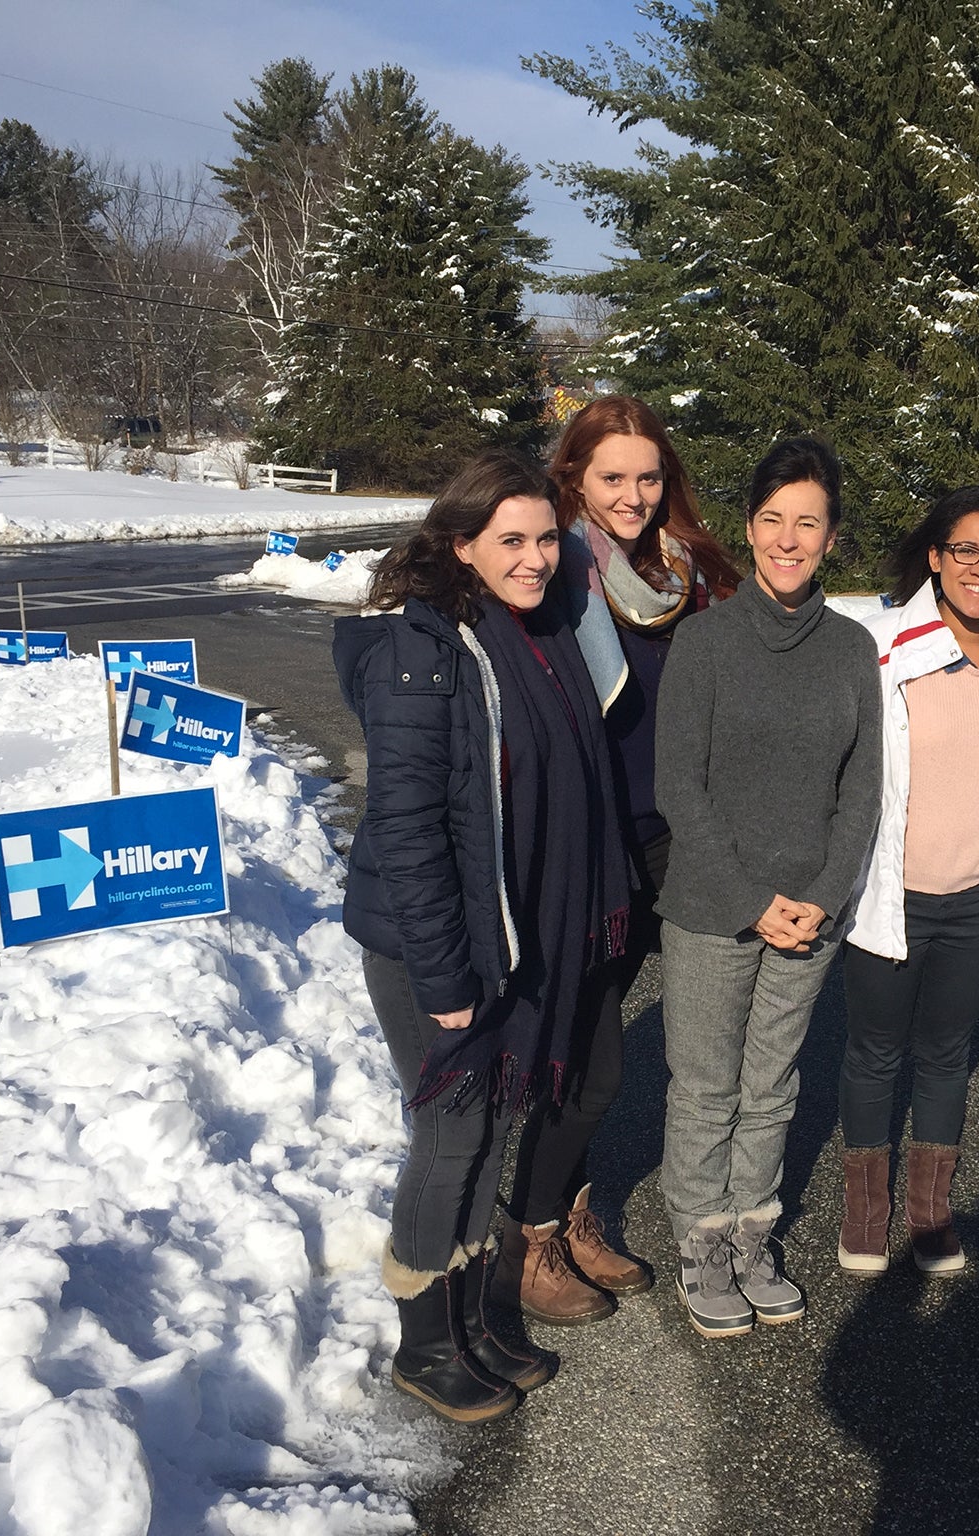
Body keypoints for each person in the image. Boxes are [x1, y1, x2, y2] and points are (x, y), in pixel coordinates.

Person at [334, 448, 631, 1421]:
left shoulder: (529, 635)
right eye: (511, 539)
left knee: (490, 1131)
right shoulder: (421, 651)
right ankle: (424, 1344)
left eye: (547, 538)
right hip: (436, 947)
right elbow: (408, 830)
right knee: (451, 1136)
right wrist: (444, 974)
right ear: (459, 545)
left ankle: (467, 1318)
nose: (536, 557)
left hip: (501, 937)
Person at [486, 396, 743, 1327]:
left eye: (648, 476)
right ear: (572, 480)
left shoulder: (688, 570)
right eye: (611, 478)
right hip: (586, 843)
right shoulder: (553, 574)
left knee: (601, 1032)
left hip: (669, 832)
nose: (633, 495)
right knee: (585, 1050)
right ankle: (531, 1235)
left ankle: (572, 1209)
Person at [654, 435, 884, 1337]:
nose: (790, 540)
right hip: (717, 909)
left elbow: (862, 786)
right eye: (773, 520)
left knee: (773, 1083)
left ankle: (754, 1232)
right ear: (749, 529)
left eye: (810, 524)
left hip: (811, 913)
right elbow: (680, 787)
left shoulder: (850, 648)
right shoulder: (704, 643)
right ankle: (701, 1238)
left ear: (832, 539)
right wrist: (755, 901)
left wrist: (822, 896)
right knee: (707, 1084)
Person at [836, 486, 979, 1276]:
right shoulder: (880, 646)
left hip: (978, 901)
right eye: (966, 549)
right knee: (873, 1053)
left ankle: (930, 1211)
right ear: (935, 555)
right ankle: (865, 1208)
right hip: (889, 896)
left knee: (945, 1053)